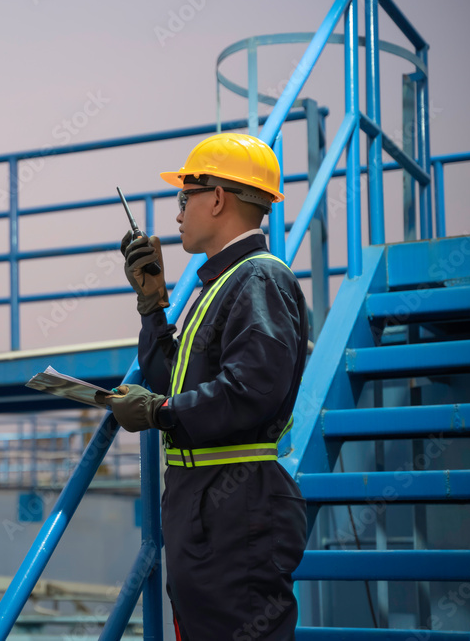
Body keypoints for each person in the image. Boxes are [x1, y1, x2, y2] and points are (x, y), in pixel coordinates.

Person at [99, 132, 309, 640]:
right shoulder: (223, 284)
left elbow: (251, 391)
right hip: (209, 502)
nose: (177, 214)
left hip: (236, 505)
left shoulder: (258, 280)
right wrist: (152, 305)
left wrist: (160, 412)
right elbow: (172, 379)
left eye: (184, 197)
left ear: (216, 198)